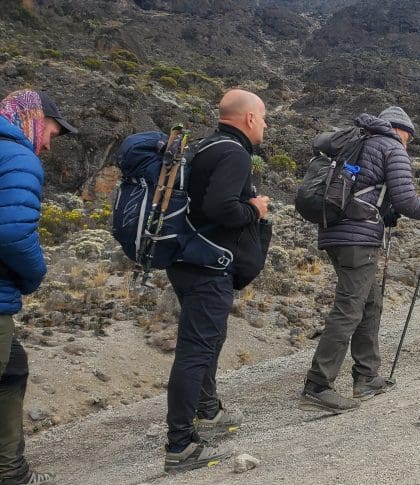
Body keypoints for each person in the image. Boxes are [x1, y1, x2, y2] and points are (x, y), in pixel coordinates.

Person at [302, 107, 420, 409]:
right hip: (358, 237)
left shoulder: (358, 141)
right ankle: (317, 384)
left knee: (370, 302)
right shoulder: (391, 146)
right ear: (401, 130)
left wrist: (384, 211)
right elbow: (407, 200)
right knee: (350, 307)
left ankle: (366, 375)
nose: (409, 144)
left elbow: (368, 190)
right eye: (409, 138)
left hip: (333, 232)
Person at [163, 89, 270, 473]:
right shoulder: (234, 153)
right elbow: (221, 207)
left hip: (188, 260)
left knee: (208, 340)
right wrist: (254, 209)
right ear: (250, 119)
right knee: (196, 349)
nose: (266, 125)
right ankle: (180, 445)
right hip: (208, 266)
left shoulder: (206, 146)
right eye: (264, 117)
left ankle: (207, 411)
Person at [0, 90, 72, 485]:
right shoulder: (18, 156)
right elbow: (12, 234)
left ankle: (11, 472)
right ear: (33, 118)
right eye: (50, 132)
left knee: (14, 368)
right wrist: (34, 274)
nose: (47, 144)